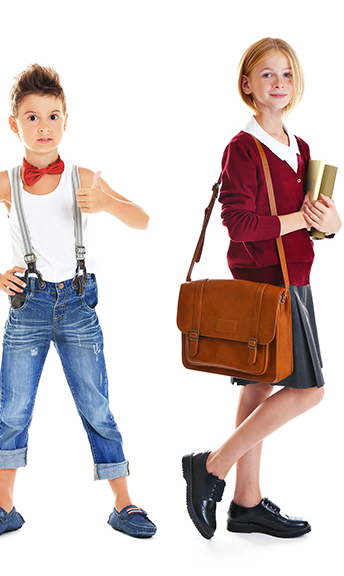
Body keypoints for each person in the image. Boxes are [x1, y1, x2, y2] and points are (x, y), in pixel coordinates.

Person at [0, 64, 153, 538]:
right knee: (15, 406)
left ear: (67, 120)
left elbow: (142, 219)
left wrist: (106, 203)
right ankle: (4, 506)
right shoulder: (5, 183)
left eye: (52, 116)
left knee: (96, 404)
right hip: (30, 306)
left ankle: (124, 503)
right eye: (32, 117)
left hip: (79, 304)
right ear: (14, 124)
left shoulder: (83, 178)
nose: (43, 128)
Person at [182, 38, 337, 539]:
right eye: (267, 75)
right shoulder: (242, 148)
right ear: (247, 85)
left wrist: (329, 224)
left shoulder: (301, 147)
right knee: (309, 391)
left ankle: (246, 504)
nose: (279, 83)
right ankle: (212, 465)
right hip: (267, 284)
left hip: (297, 278)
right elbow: (240, 224)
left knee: (258, 385)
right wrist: (297, 219)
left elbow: (309, 224)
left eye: (287, 74)